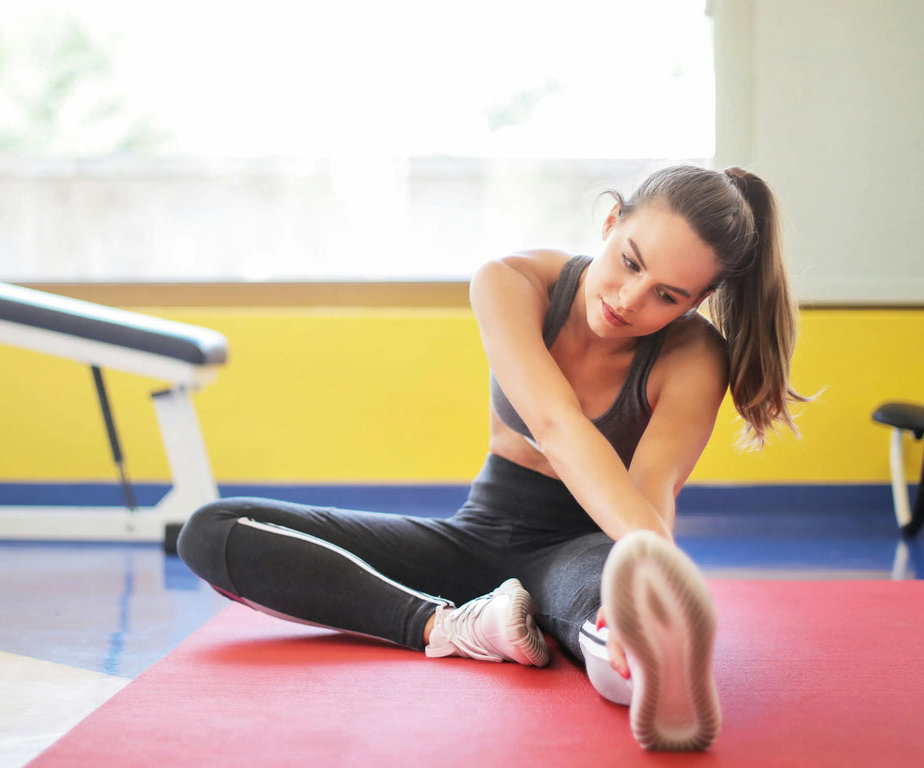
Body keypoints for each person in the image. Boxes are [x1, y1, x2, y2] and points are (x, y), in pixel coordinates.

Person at [177, 164, 807, 752]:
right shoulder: (511, 281)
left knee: (624, 629)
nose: (630, 299)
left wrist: (642, 577)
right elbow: (554, 423)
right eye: (630, 263)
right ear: (610, 221)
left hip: (588, 548)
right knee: (212, 531)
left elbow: (653, 486)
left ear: (694, 303)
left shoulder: (694, 354)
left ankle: (650, 663)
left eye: (667, 295)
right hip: (476, 536)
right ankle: (451, 626)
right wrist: (651, 554)